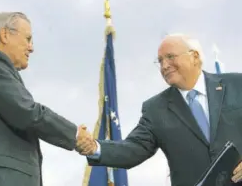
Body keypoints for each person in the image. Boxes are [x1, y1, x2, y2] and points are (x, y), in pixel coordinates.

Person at [76, 34, 242, 186]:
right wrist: (95, 148)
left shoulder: (236, 85)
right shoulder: (156, 109)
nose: (164, 66)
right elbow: (133, 148)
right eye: (160, 61)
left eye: (170, 57)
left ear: (194, 57)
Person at [0, 12, 92, 186]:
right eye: (27, 39)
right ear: (5, 35)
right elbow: (27, 112)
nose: (31, 48)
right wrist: (74, 135)